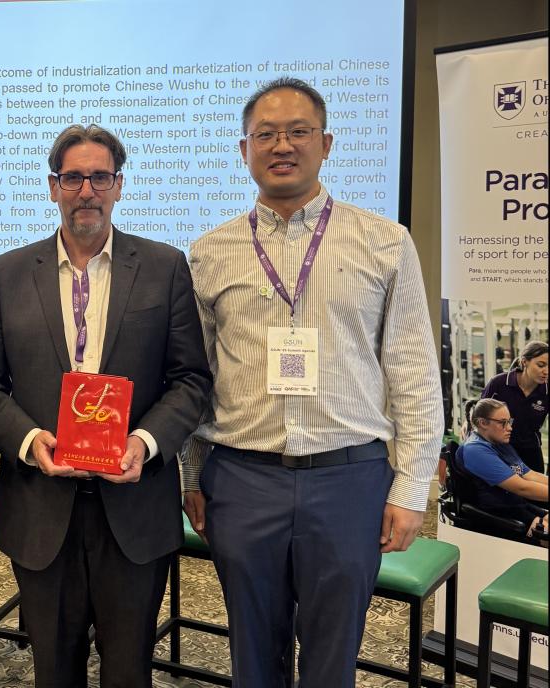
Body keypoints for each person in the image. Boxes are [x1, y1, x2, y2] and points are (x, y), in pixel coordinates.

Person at [182, 77, 444, 688]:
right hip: (242, 478)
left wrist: (411, 489)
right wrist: (190, 474)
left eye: (298, 132)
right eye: (266, 134)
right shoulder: (210, 251)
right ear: (244, 149)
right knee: (252, 654)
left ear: (325, 144)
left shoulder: (385, 242)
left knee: (333, 657)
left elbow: (411, 370)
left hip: (348, 479)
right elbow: (197, 377)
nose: (282, 145)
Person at [0, 124, 210, 687]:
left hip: (134, 507)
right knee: (54, 670)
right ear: (53, 186)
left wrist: (144, 443)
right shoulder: (5, 274)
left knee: (128, 671)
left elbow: (190, 380)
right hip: (41, 507)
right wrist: (29, 441)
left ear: (118, 186)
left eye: (100, 177)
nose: (86, 191)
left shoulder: (164, 267)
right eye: (73, 178)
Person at [457, 398, 548, 538]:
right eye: (503, 423)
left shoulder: (500, 443)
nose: (510, 428)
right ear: (483, 423)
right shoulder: (475, 450)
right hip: (497, 513)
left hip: (514, 505)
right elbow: (522, 487)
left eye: (509, 422)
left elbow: (530, 475)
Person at [481, 340, 548, 473]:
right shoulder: (498, 384)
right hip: (498, 447)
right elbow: (479, 414)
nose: (546, 371)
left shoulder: (546, 390)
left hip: (529, 448)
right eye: (541, 365)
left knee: (538, 485)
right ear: (524, 362)